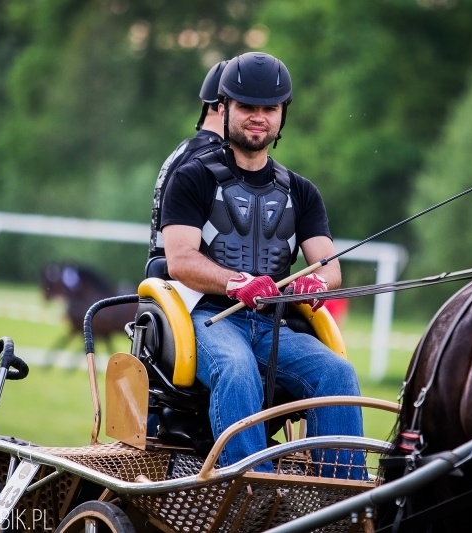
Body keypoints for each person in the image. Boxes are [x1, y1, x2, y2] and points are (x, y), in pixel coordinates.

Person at [160, 51, 365, 478]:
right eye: (247, 107)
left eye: (269, 109)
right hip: (208, 319)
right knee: (235, 369)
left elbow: (328, 267)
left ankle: (344, 501)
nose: (259, 117)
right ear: (225, 109)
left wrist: (316, 285)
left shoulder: (303, 192)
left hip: (274, 327)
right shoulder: (192, 178)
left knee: (337, 373)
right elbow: (179, 261)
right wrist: (236, 283)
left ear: (282, 115)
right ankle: (251, 491)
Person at [147, 60, 229, 263]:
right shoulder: (216, 158)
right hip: (190, 286)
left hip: (161, 280)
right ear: (226, 107)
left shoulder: (183, 150)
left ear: (203, 102)